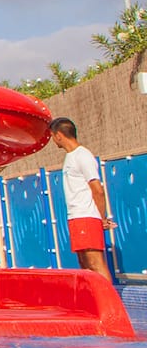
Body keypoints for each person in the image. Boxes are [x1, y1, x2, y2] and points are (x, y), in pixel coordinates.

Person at [52, 118, 117, 282]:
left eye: (52, 136)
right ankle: (93, 296)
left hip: (87, 216)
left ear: (59, 135)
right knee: (85, 265)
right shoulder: (70, 157)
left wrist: (101, 219)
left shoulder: (83, 155)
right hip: (76, 217)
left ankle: (108, 298)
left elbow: (97, 190)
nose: (53, 140)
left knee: (95, 263)